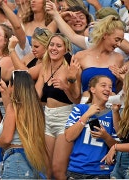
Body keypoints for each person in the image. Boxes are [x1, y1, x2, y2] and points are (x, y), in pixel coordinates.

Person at [35, 33, 80, 179]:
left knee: (58, 170)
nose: (54, 48)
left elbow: (77, 99)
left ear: (66, 49)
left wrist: (66, 86)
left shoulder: (71, 69)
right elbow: (36, 95)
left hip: (65, 117)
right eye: (52, 45)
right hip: (48, 117)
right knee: (46, 169)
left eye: (58, 46)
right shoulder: (45, 67)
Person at [0, 70, 50, 178]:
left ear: (14, 87)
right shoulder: (36, 109)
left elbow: (6, 139)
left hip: (16, 160)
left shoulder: (13, 108)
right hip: (33, 160)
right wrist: (4, 92)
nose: (8, 87)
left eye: (9, 84)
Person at [65, 75, 117, 179]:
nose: (108, 89)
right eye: (103, 85)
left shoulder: (114, 114)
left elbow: (118, 146)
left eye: (110, 87)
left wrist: (106, 136)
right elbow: (68, 137)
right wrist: (86, 115)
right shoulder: (80, 109)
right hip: (77, 169)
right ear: (92, 89)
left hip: (101, 172)